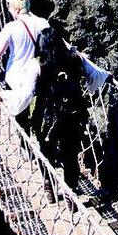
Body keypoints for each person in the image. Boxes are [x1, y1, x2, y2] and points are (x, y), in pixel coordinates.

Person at [32, 22, 88, 195]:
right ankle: (71, 192)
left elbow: (28, 92)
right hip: (73, 113)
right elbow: (94, 75)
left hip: (47, 115)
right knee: (70, 153)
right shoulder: (75, 59)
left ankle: (49, 187)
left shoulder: (38, 66)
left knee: (46, 150)